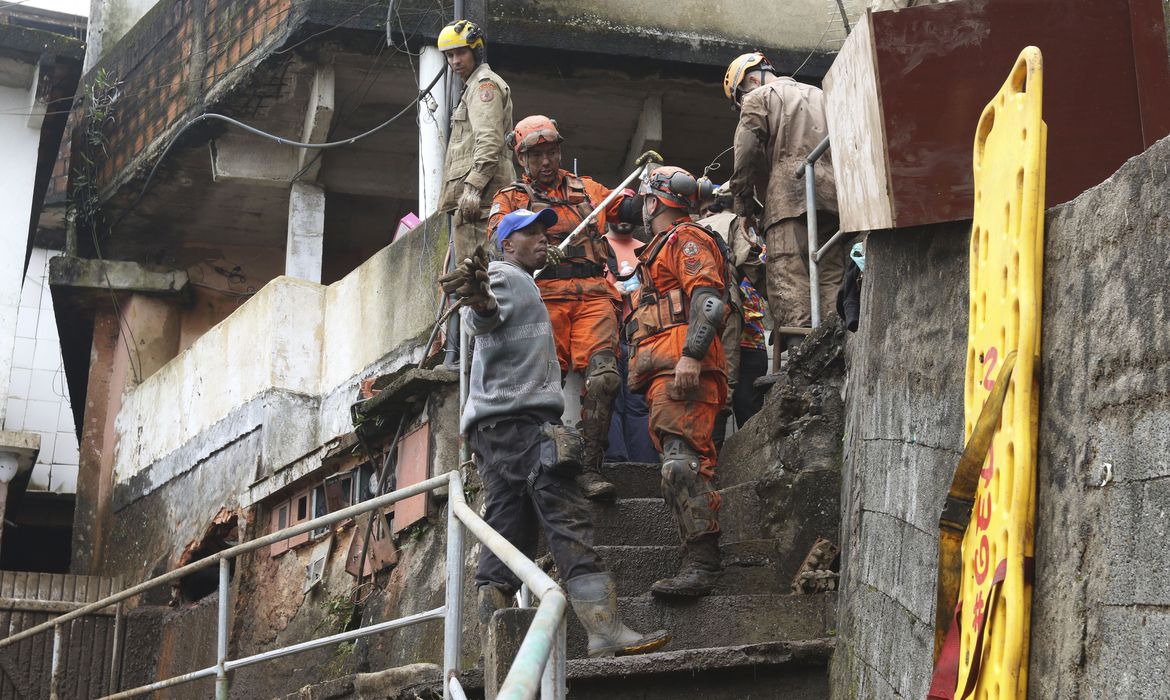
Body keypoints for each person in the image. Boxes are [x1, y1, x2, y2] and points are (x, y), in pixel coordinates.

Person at [443, 208, 670, 658]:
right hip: (518, 422)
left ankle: (497, 645)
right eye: (530, 233)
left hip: (495, 427)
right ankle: (604, 630)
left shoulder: (520, 278)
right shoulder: (506, 276)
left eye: (544, 232)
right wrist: (482, 303)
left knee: (509, 528)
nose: (543, 239)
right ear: (507, 244)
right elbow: (484, 316)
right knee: (565, 510)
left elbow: (488, 320)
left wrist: (485, 305)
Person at [487, 115, 652, 500]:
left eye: (552, 151)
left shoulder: (589, 188)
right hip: (543, 298)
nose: (546, 161)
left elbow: (630, 211)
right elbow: (498, 244)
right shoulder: (510, 198)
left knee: (606, 379)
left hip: (594, 294)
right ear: (522, 157)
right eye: (537, 154)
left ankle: (592, 469)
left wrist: (647, 182)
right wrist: (536, 242)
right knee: (546, 387)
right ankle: (544, 463)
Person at [626, 166, 731, 598]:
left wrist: (691, 355)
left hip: (683, 368)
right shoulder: (658, 250)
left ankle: (703, 563)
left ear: (654, 202)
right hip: (663, 371)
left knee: (682, 464)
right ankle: (695, 555)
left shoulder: (686, 239)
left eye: (645, 200)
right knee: (676, 463)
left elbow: (708, 301)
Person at [724, 51, 845, 351]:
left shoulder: (758, 98)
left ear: (751, 79)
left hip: (787, 199)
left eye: (739, 98)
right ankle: (836, 344)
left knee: (788, 276)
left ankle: (799, 353)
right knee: (831, 274)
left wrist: (744, 207)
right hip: (833, 200)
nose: (742, 104)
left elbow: (746, 154)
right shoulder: (823, 95)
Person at [435, 20, 516, 263]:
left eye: (460, 52)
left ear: (476, 51)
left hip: (480, 203)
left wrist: (472, 189)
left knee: (477, 279)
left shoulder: (483, 86)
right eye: (449, 55)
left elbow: (489, 142)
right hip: (475, 204)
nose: (455, 61)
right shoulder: (470, 89)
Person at [698, 196, 768, 426]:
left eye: (714, 209)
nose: (710, 215)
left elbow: (765, 279)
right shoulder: (703, 241)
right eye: (705, 210)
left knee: (748, 406)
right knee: (719, 396)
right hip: (722, 331)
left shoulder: (752, 244)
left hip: (751, 339)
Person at [603, 222, 658, 463]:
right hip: (606, 333)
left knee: (639, 402)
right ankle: (615, 460)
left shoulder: (648, 248)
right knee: (609, 398)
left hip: (640, 335)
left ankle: (644, 463)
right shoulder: (597, 247)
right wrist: (611, 289)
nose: (625, 215)